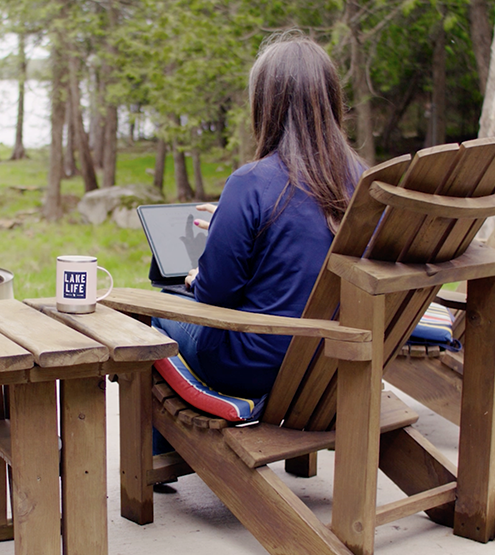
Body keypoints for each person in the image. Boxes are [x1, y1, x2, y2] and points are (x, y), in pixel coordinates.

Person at [154, 33, 365, 403]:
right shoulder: (364, 181)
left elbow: (216, 295)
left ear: (265, 105)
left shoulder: (251, 182)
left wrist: (196, 280)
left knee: (156, 314)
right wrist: (247, 226)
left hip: (254, 366)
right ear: (331, 99)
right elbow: (310, 234)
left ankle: (165, 456)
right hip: (333, 361)